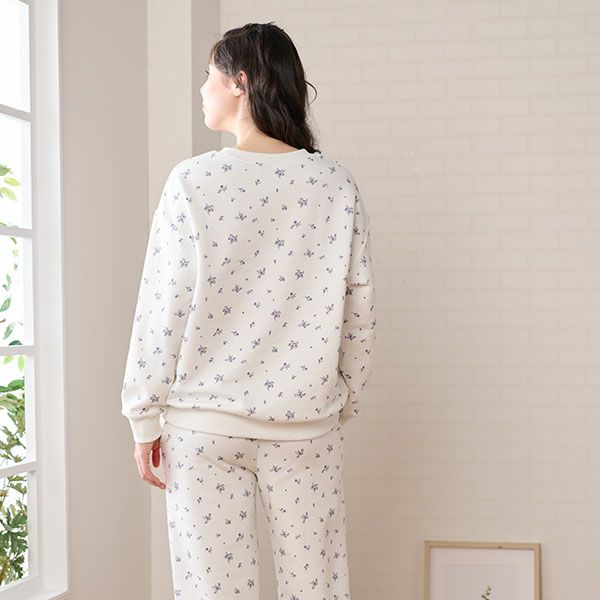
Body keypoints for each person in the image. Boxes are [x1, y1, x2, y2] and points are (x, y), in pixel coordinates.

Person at [121, 21, 376, 599]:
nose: (202, 88)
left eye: (209, 75)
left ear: (240, 82)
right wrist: (343, 398)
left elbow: (163, 306)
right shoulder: (334, 185)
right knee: (317, 589)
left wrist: (144, 417)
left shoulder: (193, 181)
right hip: (305, 427)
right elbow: (359, 310)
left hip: (203, 427)